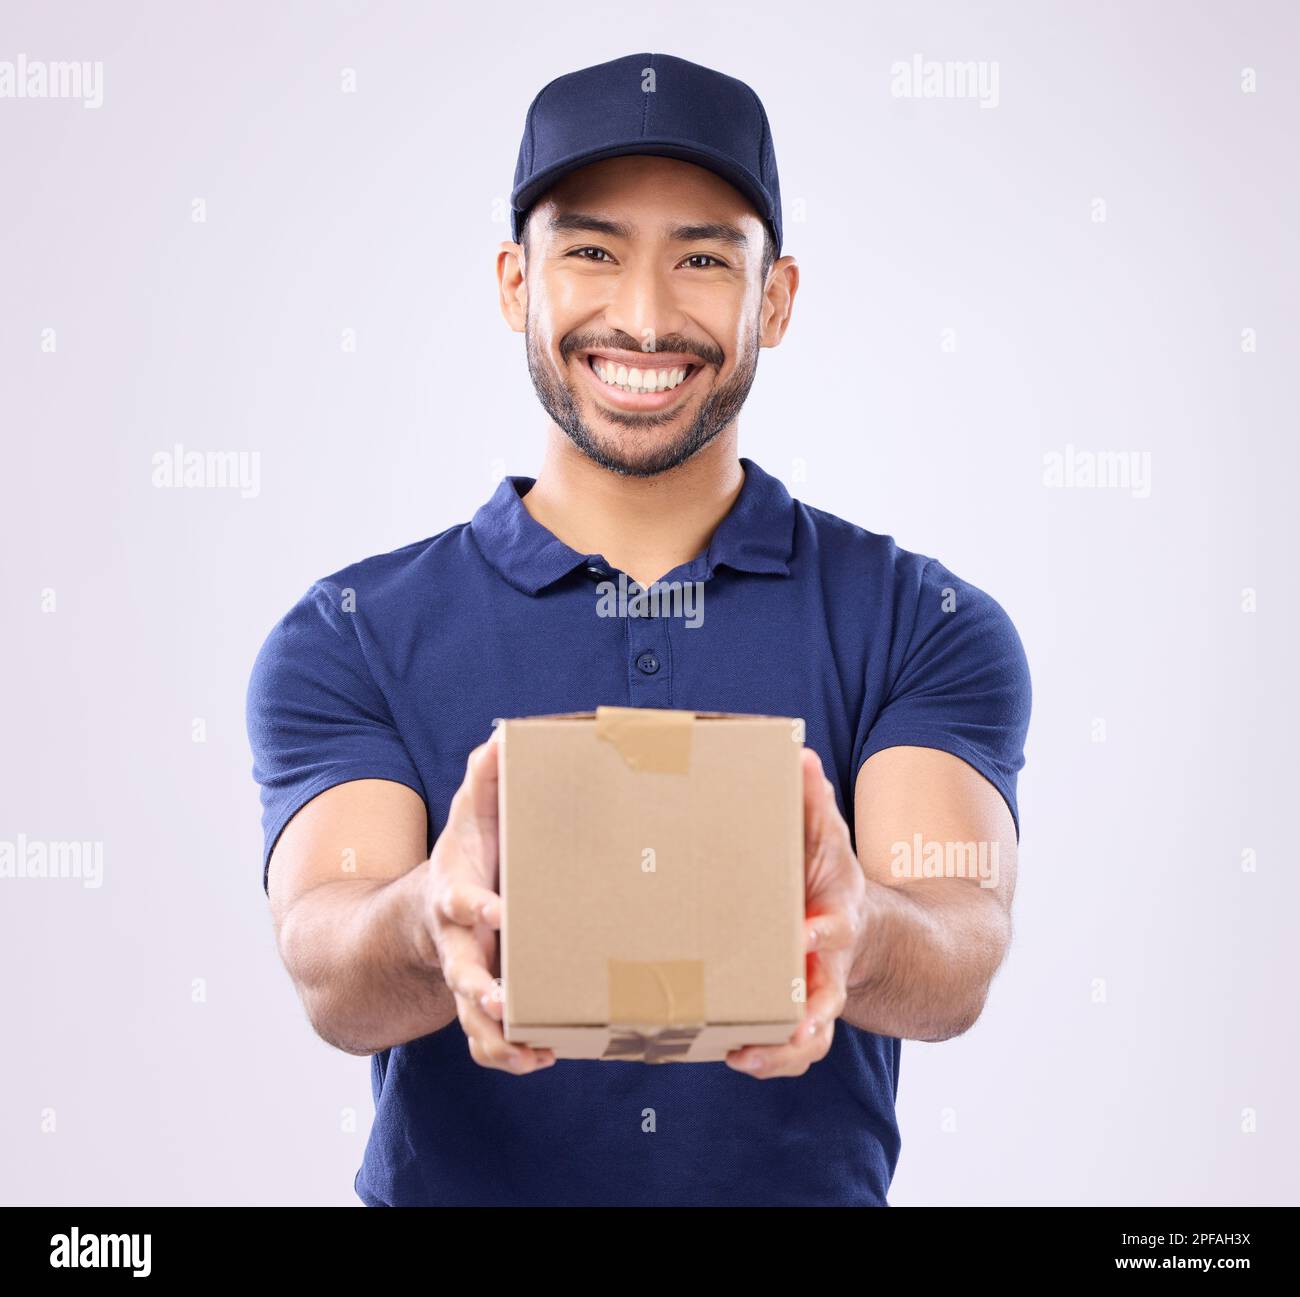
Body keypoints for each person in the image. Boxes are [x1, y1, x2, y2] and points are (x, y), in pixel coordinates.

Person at [246, 52, 1032, 1207]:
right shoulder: (355, 633)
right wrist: (425, 918)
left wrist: (856, 925)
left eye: (702, 258)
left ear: (774, 299)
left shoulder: (920, 621)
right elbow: (327, 965)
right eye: (593, 253)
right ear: (516, 282)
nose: (645, 318)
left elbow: (959, 945)